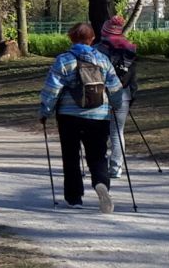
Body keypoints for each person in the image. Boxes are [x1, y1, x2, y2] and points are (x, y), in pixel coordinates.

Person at [38, 22, 124, 213]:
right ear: (92, 39)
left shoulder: (64, 60)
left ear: (71, 38)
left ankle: (74, 197)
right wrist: (116, 105)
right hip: (99, 115)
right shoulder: (103, 60)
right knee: (98, 155)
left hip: (69, 116)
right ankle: (101, 184)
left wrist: (45, 111)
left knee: (71, 156)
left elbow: (52, 89)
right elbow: (115, 87)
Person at [94, 16, 140, 178]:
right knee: (117, 131)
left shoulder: (98, 50)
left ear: (104, 32)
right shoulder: (129, 50)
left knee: (100, 131)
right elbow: (132, 77)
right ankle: (116, 167)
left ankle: (98, 165)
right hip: (123, 95)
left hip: (100, 95)